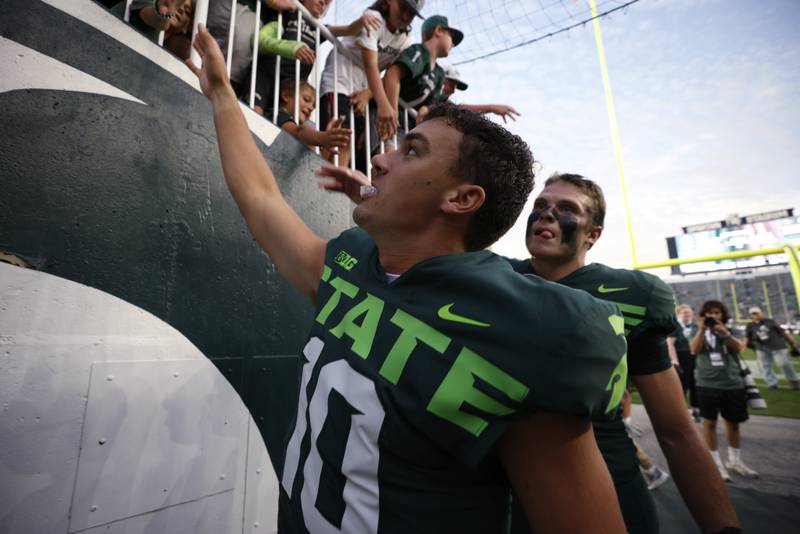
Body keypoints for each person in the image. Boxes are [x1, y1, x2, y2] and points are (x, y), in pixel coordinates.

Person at [187, 26, 628, 532]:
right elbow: (263, 203)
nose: (379, 158)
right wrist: (222, 93)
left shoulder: (523, 331)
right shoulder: (354, 263)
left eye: (410, 152)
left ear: (461, 199)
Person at [506, 174, 740, 534]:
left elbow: (675, 430)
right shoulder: (494, 280)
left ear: (592, 235)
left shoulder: (631, 294)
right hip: (509, 492)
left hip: (607, 485)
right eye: (540, 206)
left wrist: (724, 529)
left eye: (566, 209)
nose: (546, 215)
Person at [318, 0, 420, 169]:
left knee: (356, 143)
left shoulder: (405, 39)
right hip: (340, 79)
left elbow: (390, 75)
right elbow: (371, 64)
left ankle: (341, 185)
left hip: (364, 88)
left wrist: (369, 93)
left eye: (411, 13)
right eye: (402, 7)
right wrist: (383, 104)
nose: (405, 15)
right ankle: (329, 187)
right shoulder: (373, 18)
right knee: (340, 137)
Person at [249, 0, 382, 116]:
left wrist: (362, 20)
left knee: (280, 125)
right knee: (255, 114)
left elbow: (348, 29)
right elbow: (260, 40)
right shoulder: (289, 12)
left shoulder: (320, 29)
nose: (323, 2)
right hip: (267, 74)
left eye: (327, 2)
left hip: (292, 88)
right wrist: (293, 48)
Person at [692, 300, 759, 480]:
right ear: (704, 315)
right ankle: (715, 464)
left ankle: (734, 460)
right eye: (709, 313)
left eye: (716, 313)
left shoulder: (730, 328)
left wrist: (725, 333)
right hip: (707, 382)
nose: (713, 317)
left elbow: (739, 348)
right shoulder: (697, 328)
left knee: (733, 423)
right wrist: (701, 330)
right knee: (710, 423)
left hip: (732, 382)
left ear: (722, 314)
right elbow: (693, 350)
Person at [381, 14, 463, 132]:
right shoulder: (419, 51)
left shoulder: (439, 73)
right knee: (389, 148)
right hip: (390, 119)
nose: (453, 44)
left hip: (407, 127)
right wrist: (392, 112)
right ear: (438, 31)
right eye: (452, 37)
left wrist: (427, 108)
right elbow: (392, 75)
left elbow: (433, 103)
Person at [417, 65, 520, 124]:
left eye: (455, 86)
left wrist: (491, 108)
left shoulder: (443, 103)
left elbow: (458, 109)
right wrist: (491, 107)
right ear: (442, 79)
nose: (453, 91)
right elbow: (459, 108)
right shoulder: (424, 90)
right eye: (452, 84)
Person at [272, 79, 350, 156]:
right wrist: (323, 137)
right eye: (306, 99)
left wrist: (329, 139)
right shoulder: (278, 114)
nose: (311, 108)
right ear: (286, 95)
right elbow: (298, 131)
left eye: (314, 106)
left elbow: (319, 160)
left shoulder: (306, 130)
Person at [744, 306, 800, 390]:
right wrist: (743, 345)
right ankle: (772, 383)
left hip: (777, 346)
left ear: (761, 313)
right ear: (751, 315)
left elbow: (783, 332)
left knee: (784, 364)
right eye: (753, 314)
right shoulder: (750, 325)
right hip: (761, 348)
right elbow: (747, 337)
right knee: (765, 366)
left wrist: (793, 342)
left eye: (757, 313)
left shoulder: (770, 321)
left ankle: (794, 381)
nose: (755, 315)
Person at [669, 303, 701, 420]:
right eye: (684, 313)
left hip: (695, 357)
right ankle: (682, 412)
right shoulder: (676, 326)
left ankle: (696, 410)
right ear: (679, 314)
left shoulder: (696, 326)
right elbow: (670, 344)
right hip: (681, 357)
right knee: (683, 385)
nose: (687, 315)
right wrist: (675, 361)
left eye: (689, 312)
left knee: (695, 384)